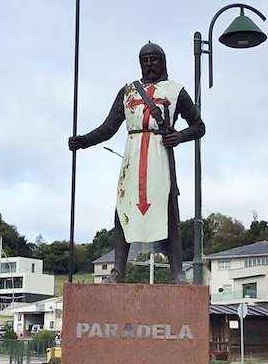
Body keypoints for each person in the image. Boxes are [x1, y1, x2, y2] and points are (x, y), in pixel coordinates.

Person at [69, 42, 204, 283]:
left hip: (160, 155)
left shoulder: (175, 90)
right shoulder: (128, 91)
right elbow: (108, 127)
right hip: (132, 156)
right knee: (123, 209)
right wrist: (84, 141)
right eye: (145, 60)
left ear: (163, 61)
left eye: (154, 59)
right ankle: (118, 271)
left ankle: (177, 273)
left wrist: (180, 136)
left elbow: (199, 126)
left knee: (168, 209)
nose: (150, 64)